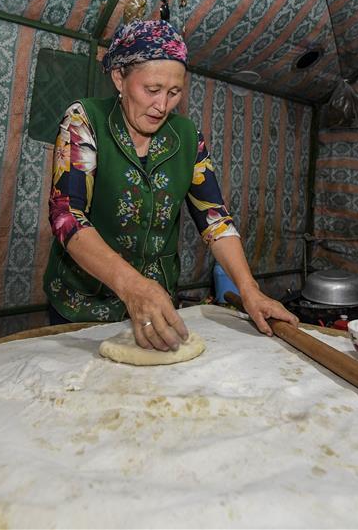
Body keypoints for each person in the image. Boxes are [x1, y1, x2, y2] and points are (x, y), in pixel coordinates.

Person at [43, 18, 298, 352]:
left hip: (157, 306)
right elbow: (67, 215)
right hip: (84, 305)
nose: (162, 106)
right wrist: (132, 286)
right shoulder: (84, 120)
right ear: (120, 77)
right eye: (152, 90)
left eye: (174, 92)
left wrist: (249, 290)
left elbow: (215, 220)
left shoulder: (188, 138)